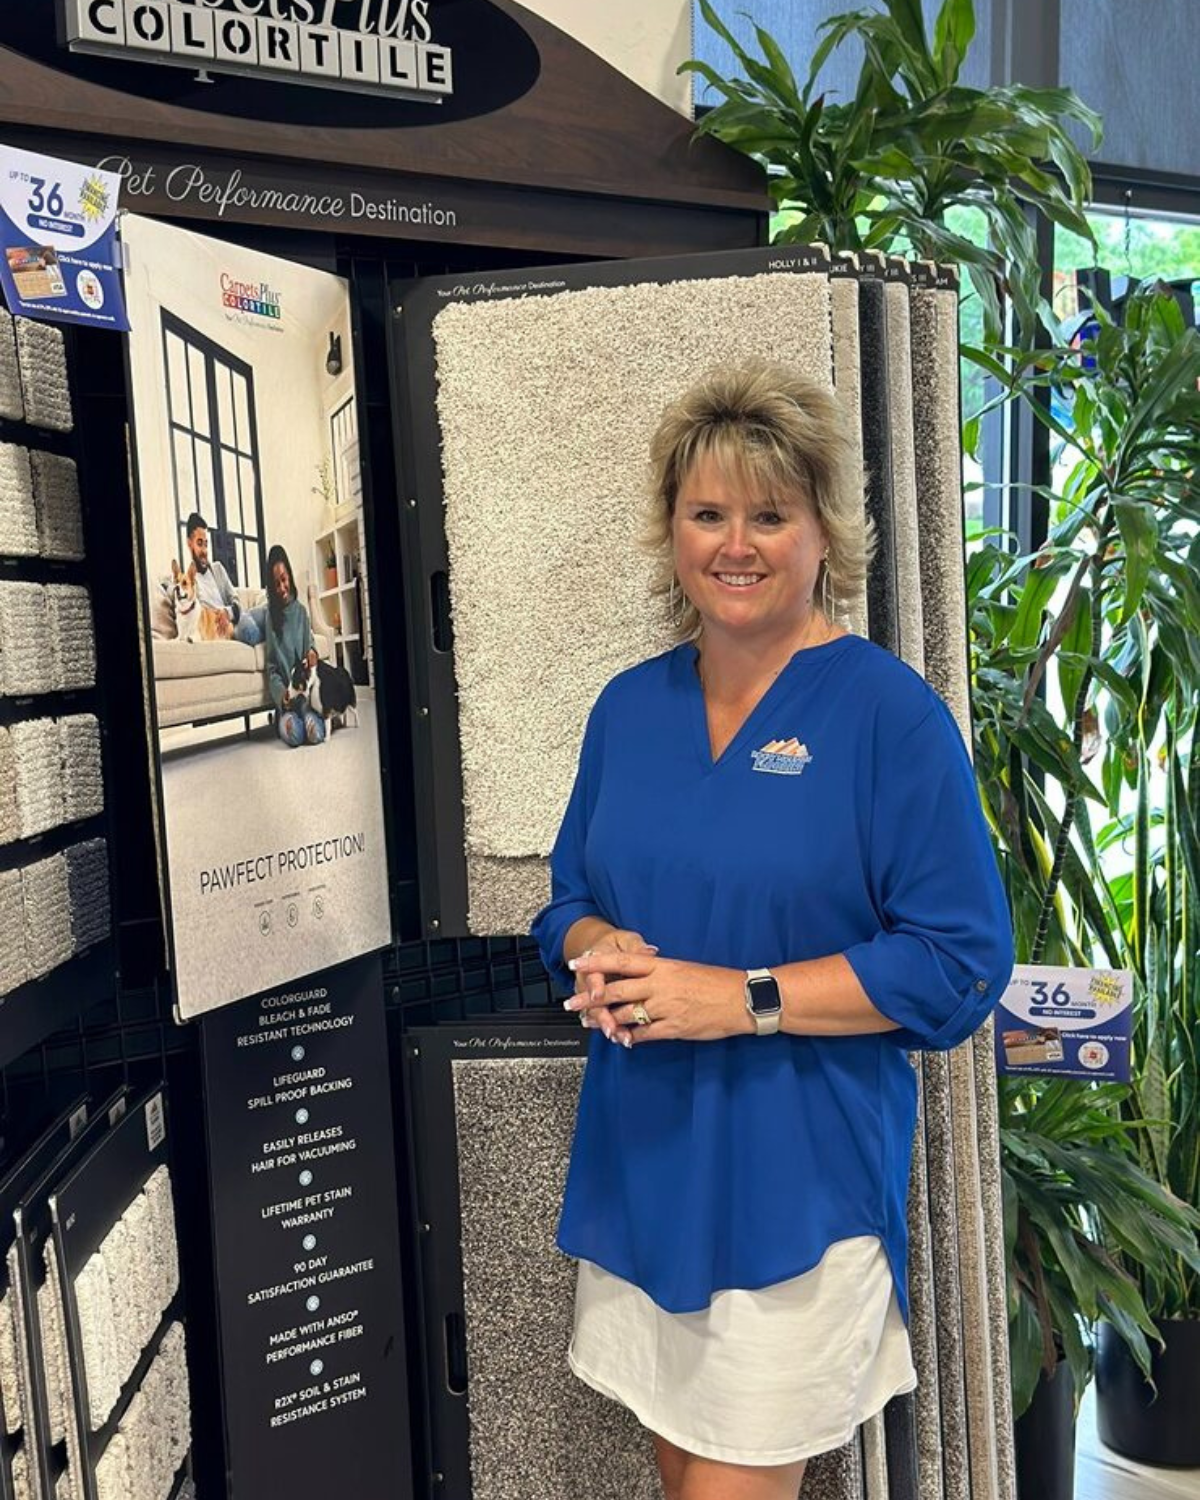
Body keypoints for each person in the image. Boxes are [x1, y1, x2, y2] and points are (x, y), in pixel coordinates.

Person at [531, 360, 1014, 1500]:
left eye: (768, 514)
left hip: (796, 1192)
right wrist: (598, 945)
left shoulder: (887, 714)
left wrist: (739, 995)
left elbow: (958, 961)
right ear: (671, 530)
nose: (735, 544)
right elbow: (563, 897)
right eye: (708, 513)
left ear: (823, 532)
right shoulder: (625, 709)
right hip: (643, 1172)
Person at [264, 543, 324, 748]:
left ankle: (308, 717)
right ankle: (282, 721)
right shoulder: (270, 618)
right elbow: (271, 667)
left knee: (315, 734)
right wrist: (282, 696)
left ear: (289, 575)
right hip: (288, 704)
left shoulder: (301, 612)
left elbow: (311, 645)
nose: (281, 588)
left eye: (284, 580)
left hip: (306, 700)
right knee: (296, 735)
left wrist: (313, 652)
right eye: (276, 584)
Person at [183, 512, 265, 645]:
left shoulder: (217, 569)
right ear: (189, 543)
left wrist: (227, 612)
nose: (204, 550)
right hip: (226, 629)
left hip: (238, 618)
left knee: (269, 611)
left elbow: (236, 600)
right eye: (199, 544)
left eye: (206, 544)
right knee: (252, 632)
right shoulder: (189, 583)